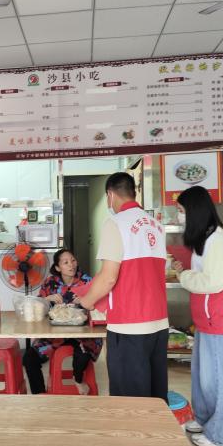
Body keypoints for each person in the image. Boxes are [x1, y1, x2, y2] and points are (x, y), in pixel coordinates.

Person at [79, 172, 168, 401]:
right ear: (133, 192)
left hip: (129, 324)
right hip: (159, 322)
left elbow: (109, 277)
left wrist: (86, 302)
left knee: (129, 400)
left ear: (110, 195)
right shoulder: (157, 225)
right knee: (155, 395)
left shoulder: (116, 223)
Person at [172, 186, 223, 446]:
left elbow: (214, 281)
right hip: (207, 318)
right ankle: (204, 419)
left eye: (181, 211)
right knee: (202, 375)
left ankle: (221, 435)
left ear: (195, 211)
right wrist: (186, 272)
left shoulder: (217, 239)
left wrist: (184, 276)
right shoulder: (207, 237)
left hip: (218, 319)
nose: (179, 216)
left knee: (217, 380)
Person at [22, 249, 103, 395]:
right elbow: (37, 307)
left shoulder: (87, 281)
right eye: (66, 262)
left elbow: (99, 306)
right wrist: (47, 299)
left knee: (84, 353)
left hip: (82, 334)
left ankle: (78, 379)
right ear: (58, 267)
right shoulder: (50, 283)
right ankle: (40, 396)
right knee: (29, 358)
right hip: (55, 334)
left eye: (73, 260)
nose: (71, 265)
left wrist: (85, 301)